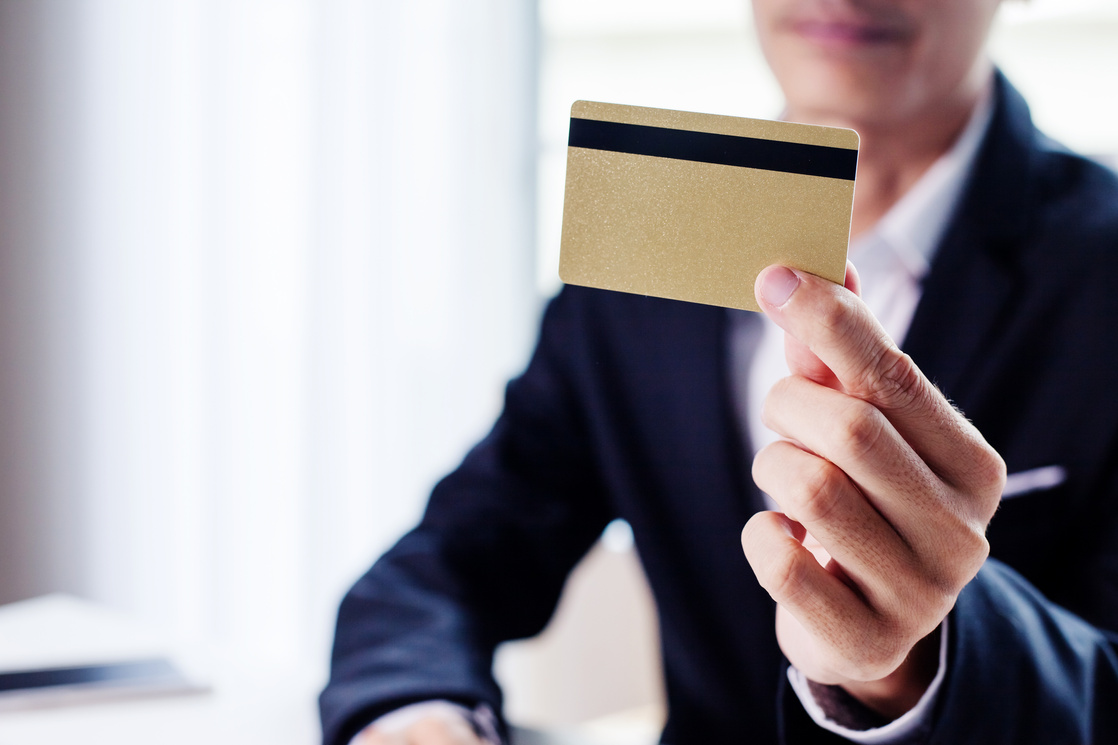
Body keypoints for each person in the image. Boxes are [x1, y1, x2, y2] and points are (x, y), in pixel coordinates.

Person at [321, 0, 1118, 743]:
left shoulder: (1100, 271)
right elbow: (451, 559)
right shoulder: (640, 252)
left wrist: (919, 658)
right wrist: (412, 713)